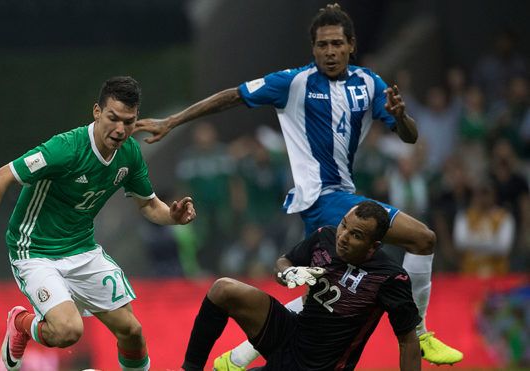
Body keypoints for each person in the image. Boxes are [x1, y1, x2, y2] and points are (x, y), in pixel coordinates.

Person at [135, 3, 462, 367]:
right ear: (313, 49)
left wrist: (402, 117)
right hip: (322, 199)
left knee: (323, 292)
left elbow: (409, 137)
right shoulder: (294, 82)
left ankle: (235, 360)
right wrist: (174, 120)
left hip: (343, 194)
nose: (330, 51)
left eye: (337, 43)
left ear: (351, 45)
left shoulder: (370, 83)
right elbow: (232, 95)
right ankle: (420, 335)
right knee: (423, 238)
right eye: (322, 45)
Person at [0, 76, 196, 371]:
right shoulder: (65, 149)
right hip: (35, 251)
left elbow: (149, 205)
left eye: (128, 121)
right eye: (113, 118)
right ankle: (21, 322)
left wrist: (172, 217)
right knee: (68, 332)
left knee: (132, 331)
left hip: (83, 249)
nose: (120, 129)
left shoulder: (129, 154)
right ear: (97, 112)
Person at [182, 201, 421, 371]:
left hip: (320, 365)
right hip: (290, 335)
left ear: (374, 246)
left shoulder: (391, 278)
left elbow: (408, 340)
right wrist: (287, 272)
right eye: (344, 225)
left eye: (356, 235)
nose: (343, 236)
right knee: (223, 288)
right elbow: (283, 263)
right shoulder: (324, 238)